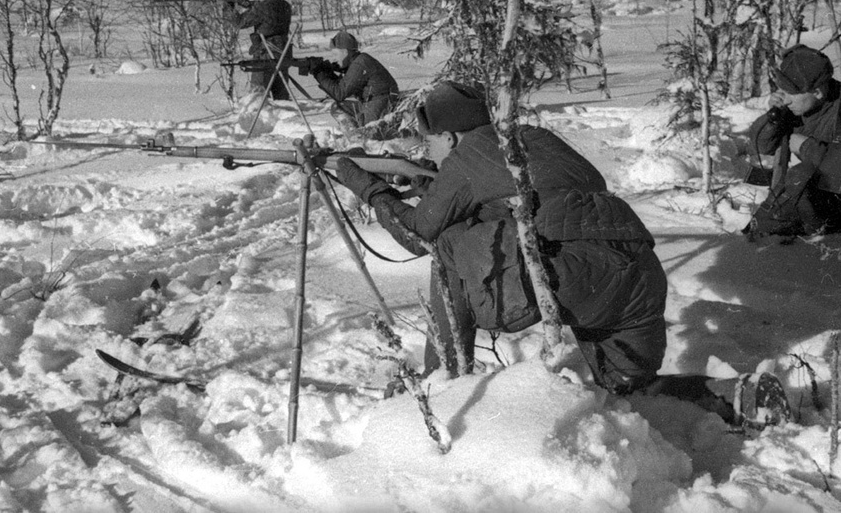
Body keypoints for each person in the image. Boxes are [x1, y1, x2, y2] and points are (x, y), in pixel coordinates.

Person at [334, 81, 791, 428]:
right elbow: (539, 188)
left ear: (450, 137)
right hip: (634, 267)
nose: (424, 150)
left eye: (428, 141)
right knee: (629, 388)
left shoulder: (464, 157)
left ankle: (444, 386)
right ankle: (733, 394)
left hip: (565, 271)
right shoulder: (533, 137)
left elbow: (418, 234)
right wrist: (435, 187)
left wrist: (364, 184)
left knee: (448, 248)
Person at [745, 44, 841, 238]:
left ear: (818, 92)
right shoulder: (795, 105)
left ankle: (813, 240)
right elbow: (761, 147)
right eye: (781, 91)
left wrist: (805, 146)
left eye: (790, 93)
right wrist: (773, 120)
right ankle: (763, 235)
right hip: (823, 191)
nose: (784, 100)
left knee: (800, 177)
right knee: (797, 186)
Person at [310, 31, 400, 129]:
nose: (334, 58)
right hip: (371, 102)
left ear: (345, 52)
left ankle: (357, 138)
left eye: (335, 54)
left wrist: (320, 74)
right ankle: (355, 132)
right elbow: (343, 85)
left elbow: (339, 93)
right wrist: (328, 73)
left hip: (379, 104)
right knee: (338, 107)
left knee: (370, 134)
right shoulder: (360, 60)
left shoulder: (360, 64)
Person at [225, 0, 292, 100]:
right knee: (281, 99)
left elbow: (239, 23)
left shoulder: (261, 7)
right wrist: (250, 4)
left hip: (265, 56)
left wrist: (229, 6)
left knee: (258, 98)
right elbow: (271, 12)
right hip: (283, 54)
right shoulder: (285, 5)